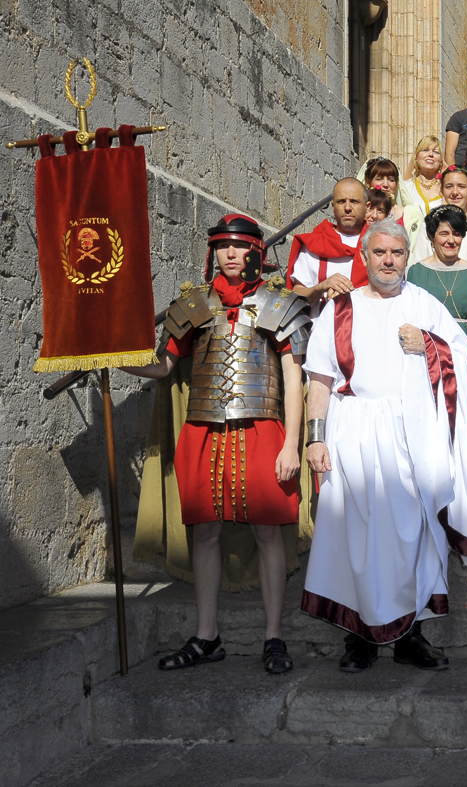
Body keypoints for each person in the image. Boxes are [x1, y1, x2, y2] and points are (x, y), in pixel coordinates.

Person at [124, 214, 310, 675]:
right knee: (204, 532)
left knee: (268, 533)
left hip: (262, 430)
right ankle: (207, 636)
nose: (230, 254)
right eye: (223, 246)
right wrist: (116, 360)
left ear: (256, 252)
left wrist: (291, 445)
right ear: (213, 251)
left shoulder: (280, 303)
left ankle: (273, 637)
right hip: (203, 429)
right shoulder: (193, 305)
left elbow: (293, 378)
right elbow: (164, 369)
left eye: (240, 246)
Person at [302, 218, 467, 673]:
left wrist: (427, 343)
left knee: (415, 535)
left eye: (397, 253)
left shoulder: (424, 303)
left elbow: (463, 360)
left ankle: (411, 636)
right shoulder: (340, 309)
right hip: (353, 432)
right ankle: (359, 639)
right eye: (380, 253)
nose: (389, 261)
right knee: (354, 534)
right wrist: (315, 438)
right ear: (364, 257)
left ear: (407, 256)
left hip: (411, 435)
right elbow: (321, 378)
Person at [287, 177, 369, 313]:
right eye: (341, 201)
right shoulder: (314, 244)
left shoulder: (380, 245)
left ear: (368, 206)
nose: (347, 207)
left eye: (354, 201)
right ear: (332, 206)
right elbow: (296, 296)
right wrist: (320, 287)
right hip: (317, 330)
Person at [407, 205, 467, 337]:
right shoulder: (417, 272)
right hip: (431, 342)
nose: (451, 241)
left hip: (466, 343)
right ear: (431, 236)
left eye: (457, 234)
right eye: (444, 234)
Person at [411, 165, 467, 267]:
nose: (455, 192)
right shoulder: (428, 225)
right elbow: (419, 263)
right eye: (449, 186)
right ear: (441, 190)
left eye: (461, 186)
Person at [398, 135, 445, 248]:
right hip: (410, 247)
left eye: (436, 152)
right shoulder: (405, 188)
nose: (430, 154)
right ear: (416, 158)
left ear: (440, 161)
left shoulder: (447, 189)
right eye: (425, 150)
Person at [359, 156, 403, 221]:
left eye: (391, 180)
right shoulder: (360, 212)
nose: (385, 184)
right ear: (368, 182)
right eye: (379, 179)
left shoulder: (408, 214)